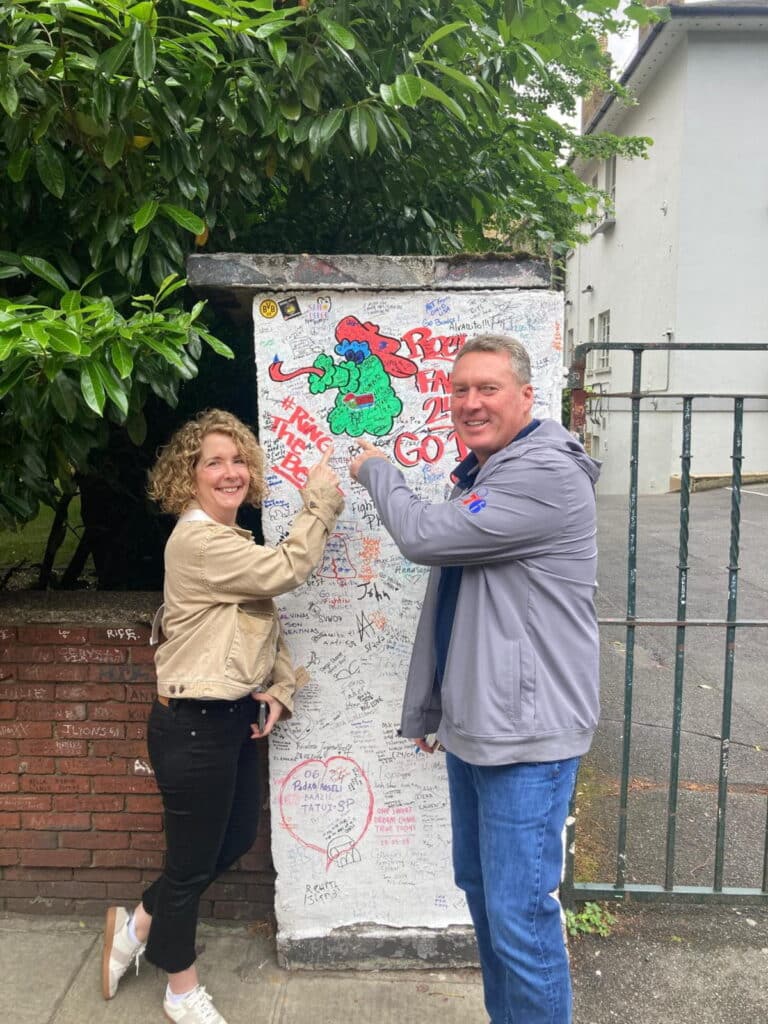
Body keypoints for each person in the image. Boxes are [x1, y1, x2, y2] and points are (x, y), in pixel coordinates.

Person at [349, 334, 600, 1024]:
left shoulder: (542, 473)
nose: (469, 402)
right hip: (482, 728)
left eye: (487, 388)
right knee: (484, 896)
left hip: (529, 735)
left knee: (518, 918)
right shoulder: (487, 472)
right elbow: (463, 608)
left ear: (526, 397)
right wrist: (442, 711)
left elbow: (425, 537)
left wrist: (377, 469)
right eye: (459, 390)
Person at [102, 409, 343, 1024]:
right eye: (214, 461)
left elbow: (263, 617)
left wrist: (280, 686)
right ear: (189, 476)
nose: (230, 472)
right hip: (190, 725)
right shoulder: (199, 541)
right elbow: (286, 571)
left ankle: (135, 924)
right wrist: (319, 504)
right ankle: (180, 988)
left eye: (238, 460)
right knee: (187, 867)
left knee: (230, 841)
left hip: (228, 720)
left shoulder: (231, 540)